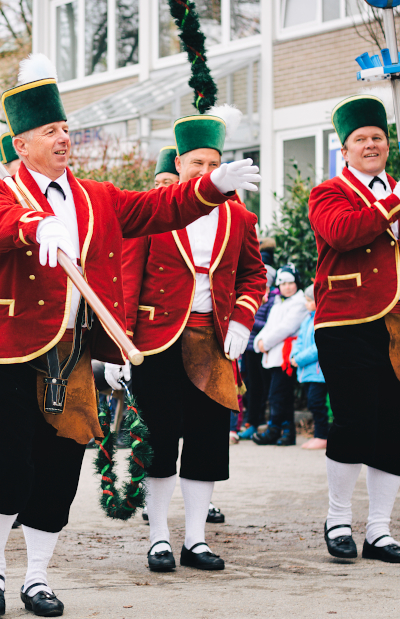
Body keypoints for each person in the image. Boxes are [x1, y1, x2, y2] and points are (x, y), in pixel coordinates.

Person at [0, 53, 260, 616]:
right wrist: (34, 226)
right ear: (22, 143)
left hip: (74, 351)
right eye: (50, 131)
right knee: (6, 461)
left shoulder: (96, 197)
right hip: (8, 350)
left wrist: (211, 187)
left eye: (65, 130)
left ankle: (36, 576)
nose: (63, 139)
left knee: (59, 463)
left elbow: (158, 207)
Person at [111, 107, 266, 573]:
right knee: (158, 441)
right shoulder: (155, 211)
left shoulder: (240, 218)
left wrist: (241, 320)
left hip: (214, 341)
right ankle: (158, 536)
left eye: (213, 162)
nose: (205, 171)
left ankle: (195, 539)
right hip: (157, 342)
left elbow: (253, 275)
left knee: (207, 441)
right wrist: (120, 344)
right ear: (178, 164)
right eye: (196, 162)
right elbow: (126, 278)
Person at [310, 94, 400, 564]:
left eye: (378, 138)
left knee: (394, 423)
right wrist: (393, 202)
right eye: (361, 139)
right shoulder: (328, 192)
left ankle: (380, 530)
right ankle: (338, 519)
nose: (371, 145)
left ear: (388, 145)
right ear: (343, 148)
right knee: (353, 416)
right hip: (344, 320)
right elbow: (342, 234)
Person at [251, 265, 308, 446]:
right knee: (278, 394)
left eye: (291, 283)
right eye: (283, 284)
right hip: (272, 356)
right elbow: (269, 326)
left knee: (279, 394)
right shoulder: (278, 302)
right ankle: (286, 430)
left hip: (285, 357)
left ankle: (276, 429)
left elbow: (286, 328)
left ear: (296, 283)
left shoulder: (299, 303)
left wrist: (264, 343)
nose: (288, 287)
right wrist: (259, 342)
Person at [238, 264, 276, 439]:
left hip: (264, 348)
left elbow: (269, 324)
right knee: (252, 386)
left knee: (265, 387)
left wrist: (250, 321)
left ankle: (264, 422)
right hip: (249, 348)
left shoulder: (273, 300)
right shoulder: (251, 296)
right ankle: (252, 422)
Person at [290, 284, 327, 449]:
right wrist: (294, 356)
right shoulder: (307, 320)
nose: (306, 303)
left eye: (309, 300)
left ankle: (322, 436)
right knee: (312, 403)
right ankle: (318, 435)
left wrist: (300, 359)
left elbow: (319, 346)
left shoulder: (321, 319)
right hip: (306, 372)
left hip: (318, 373)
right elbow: (299, 341)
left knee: (316, 403)